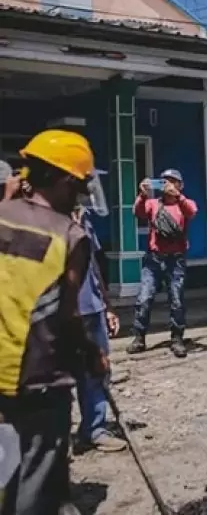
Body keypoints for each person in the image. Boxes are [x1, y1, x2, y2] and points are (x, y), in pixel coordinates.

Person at [0, 129, 108, 515]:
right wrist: (92, 353)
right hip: (39, 375)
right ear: (63, 180)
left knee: (5, 466)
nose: (80, 195)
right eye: (79, 186)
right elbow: (68, 315)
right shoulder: (69, 235)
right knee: (37, 475)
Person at [71, 202, 127, 453]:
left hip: (91, 307)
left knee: (96, 369)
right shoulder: (41, 220)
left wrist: (107, 306)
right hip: (59, 312)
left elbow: (93, 266)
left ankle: (94, 428)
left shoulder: (84, 219)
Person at [128, 169, 198, 358]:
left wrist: (178, 196)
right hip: (154, 259)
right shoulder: (153, 204)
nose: (168, 185)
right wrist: (143, 194)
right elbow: (138, 212)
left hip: (176, 259)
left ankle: (177, 338)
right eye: (164, 181)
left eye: (173, 181)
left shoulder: (185, 203)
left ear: (180, 185)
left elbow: (192, 212)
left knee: (177, 300)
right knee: (144, 298)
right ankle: (139, 338)